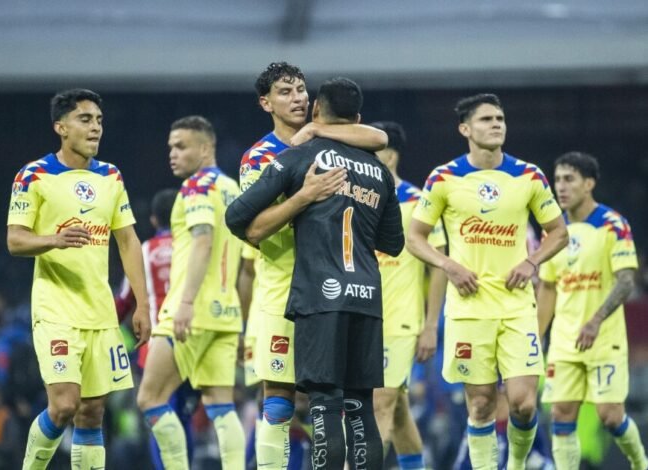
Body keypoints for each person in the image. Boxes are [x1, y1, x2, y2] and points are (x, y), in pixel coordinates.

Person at [227, 77, 404, 470]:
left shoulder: (317, 149)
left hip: (317, 290)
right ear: (266, 103)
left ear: (316, 108)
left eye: (301, 91)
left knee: (327, 402)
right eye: (285, 92)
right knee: (282, 397)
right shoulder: (261, 156)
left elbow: (241, 222)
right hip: (288, 289)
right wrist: (305, 198)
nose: (297, 98)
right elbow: (255, 232)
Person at [406, 93, 569, 470]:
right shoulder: (444, 177)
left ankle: (515, 464)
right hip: (469, 307)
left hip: (515, 306)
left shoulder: (528, 175)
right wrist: (448, 266)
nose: (496, 124)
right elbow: (415, 238)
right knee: (479, 404)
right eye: (486, 120)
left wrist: (532, 261)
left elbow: (558, 232)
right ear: (465, 129)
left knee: (524, 403)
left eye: (500, 118)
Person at [6, 88, 151, 469]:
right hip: (55, 309)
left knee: (92, 412)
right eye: (85, 119)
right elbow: (15, 240)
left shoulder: (110, 176)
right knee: (65, 405)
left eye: (99, 120)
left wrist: (143, 303)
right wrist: (54, 239)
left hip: (100, 313)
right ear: (61, 127)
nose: (95, 128)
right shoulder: (34, 175)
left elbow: (128, 241)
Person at [137, 116, 245, 470]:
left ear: (205, 148)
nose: (172, 154)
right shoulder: (232, 189)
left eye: (181, 146)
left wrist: (184, 302)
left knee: (150, 398)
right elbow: (246, 262)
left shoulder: (196, 187)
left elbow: (202, 241)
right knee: (221, 407)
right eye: (170, 146)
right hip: (226, 314)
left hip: (190, 311)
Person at [537, 151, 647, 470]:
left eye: (569, 179)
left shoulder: (613, 225)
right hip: (564, 340)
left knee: (610, 416)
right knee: (560, 413)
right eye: (557, 180)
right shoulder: (552, 233)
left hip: (603, 338)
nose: (560, 187)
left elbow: (627, 280)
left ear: (589, 184)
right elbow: (548, 288)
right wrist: (534, 340)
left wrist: (596, 320)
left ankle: (640, 462)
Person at [369, 121, 448, 470]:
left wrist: (431, 326)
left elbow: (440, 266)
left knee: (380, 404)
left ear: (389, 155)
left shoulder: (419, 203)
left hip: (399, 322)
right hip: (360, 320)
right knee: (397, 407)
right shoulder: (355, 202)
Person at [116, 188, 202, 470]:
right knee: (184, 416)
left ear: (153, 220)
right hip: (192, 341)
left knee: (158, 408)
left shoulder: (143, 251)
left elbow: (125, 301)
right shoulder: (194, 247)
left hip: (154, 347)